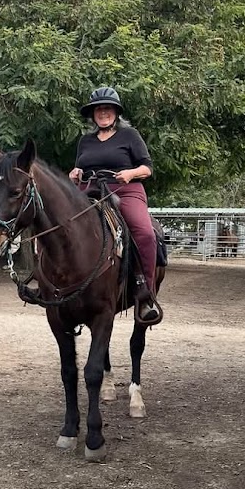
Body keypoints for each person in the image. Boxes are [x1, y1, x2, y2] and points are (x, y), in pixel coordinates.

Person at [69, 86, 160, 323]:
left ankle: (145, 292)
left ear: (116, 112)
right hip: (90, 190)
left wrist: (130, 173)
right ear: (93, 114)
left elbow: (147, 168)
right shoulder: (85, 141)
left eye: (107, 108)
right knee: (60, 222)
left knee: (145, 233)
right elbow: (81, 167)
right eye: (98, 109)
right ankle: (50, 282)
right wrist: (76, 172)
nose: (103, 113)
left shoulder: (130, 136)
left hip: (125, 190)